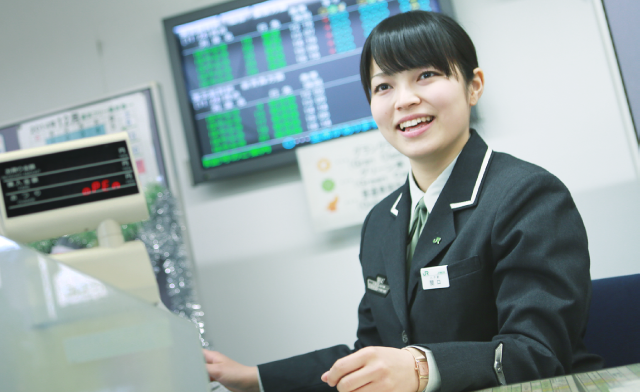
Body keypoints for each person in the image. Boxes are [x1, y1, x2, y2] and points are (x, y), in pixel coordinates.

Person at [203, 10, 603, 392]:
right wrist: (254, 378)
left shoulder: (528, 196)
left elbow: (541, 354)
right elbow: (374, 356)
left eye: (426, 75)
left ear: (474, 85)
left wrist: (420, 368)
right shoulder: (381, 222)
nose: (404, 100)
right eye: (384, 86)